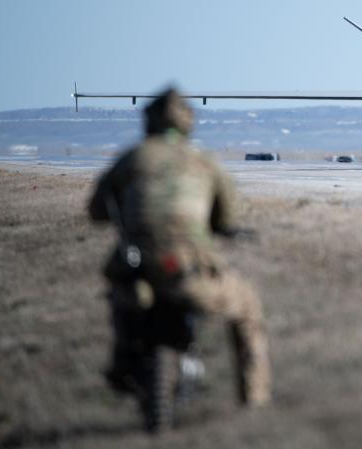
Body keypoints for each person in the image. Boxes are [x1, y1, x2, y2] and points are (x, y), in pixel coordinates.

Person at [88, 88, 271, 406]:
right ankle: (254, 399)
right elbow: (226, 217)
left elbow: (96, 209)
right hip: (191, 270)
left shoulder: (133, 158)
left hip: (138, 267)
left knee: (121, 300)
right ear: (187, 122)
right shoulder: (203, 161)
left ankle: (121, 365)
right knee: (248, 308)